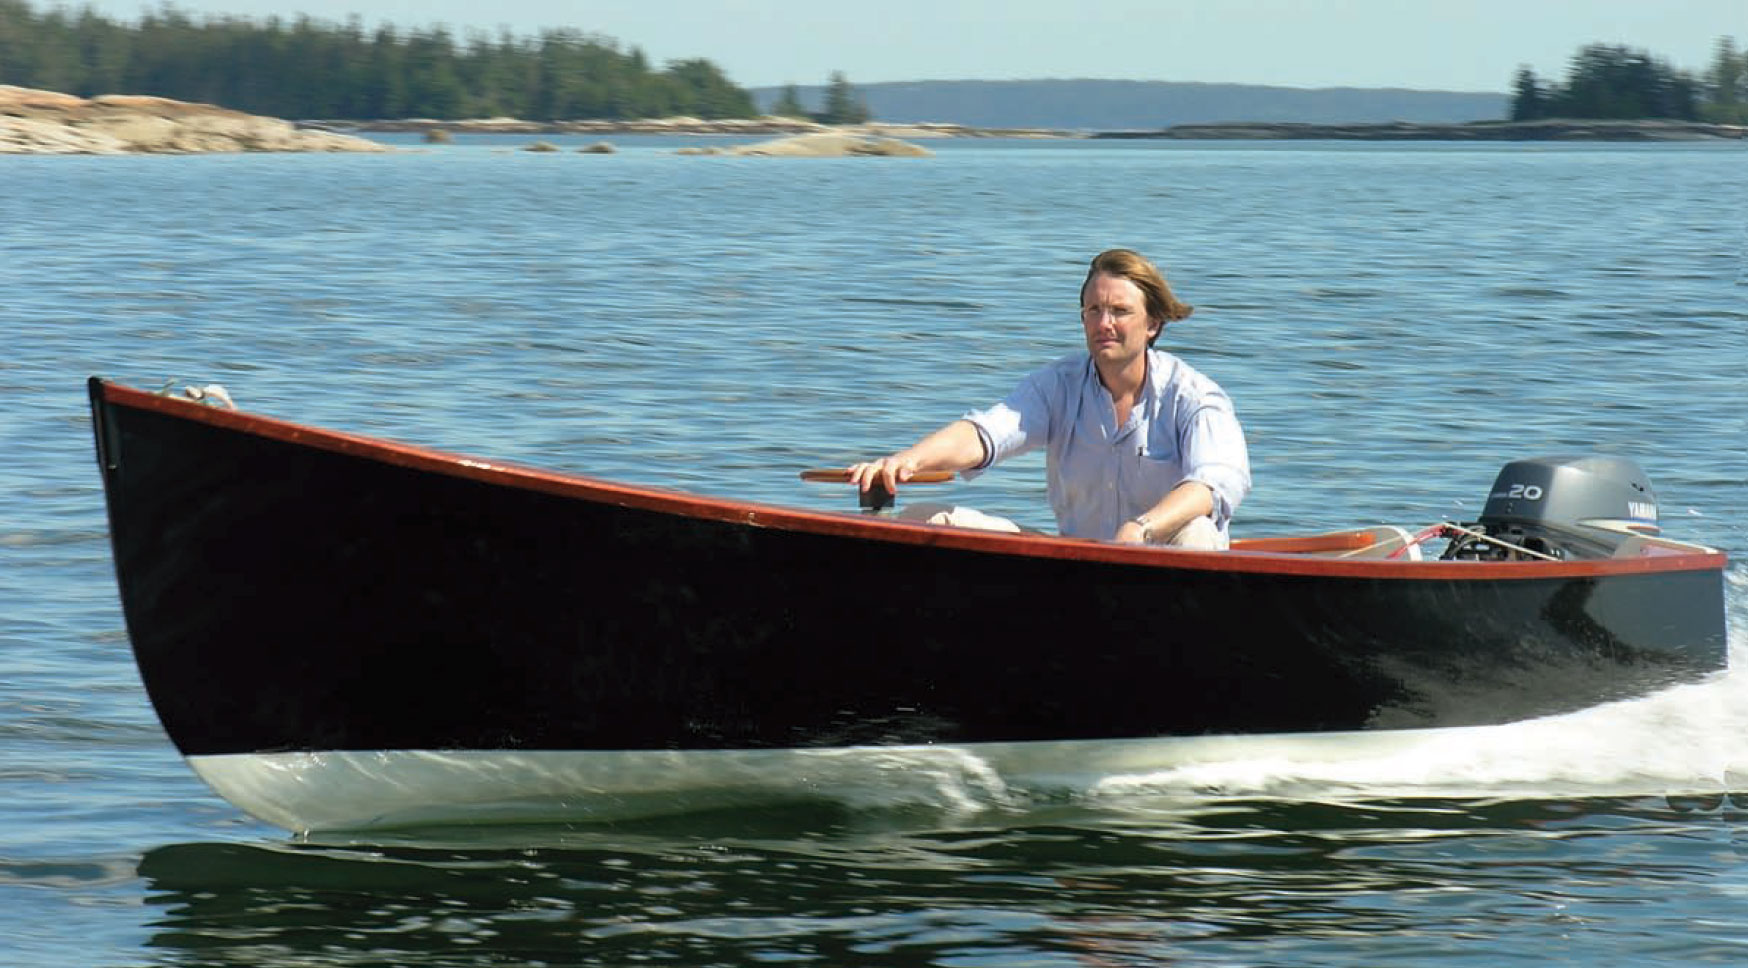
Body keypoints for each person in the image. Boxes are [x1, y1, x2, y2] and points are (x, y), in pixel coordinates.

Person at [846, 248, 1250, 548]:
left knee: (1196, 531)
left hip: (1166, 567)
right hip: (1076, 562)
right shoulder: (1057, 385)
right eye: (1093, 310)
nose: (1104, 323)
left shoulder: (1196, 396)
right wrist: (906, 461)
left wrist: (1141, 528)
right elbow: (986, 434)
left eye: (1120, 311)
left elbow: (1211, 486)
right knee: (922, 518)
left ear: (1153, 325)